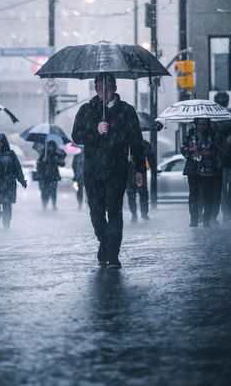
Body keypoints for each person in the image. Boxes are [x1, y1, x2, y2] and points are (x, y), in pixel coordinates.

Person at [72, 72, 144, 269]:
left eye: (108, 88)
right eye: (100, 88)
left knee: (114, 211)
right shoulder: (86, 110)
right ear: (95, 89)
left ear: (115, 88)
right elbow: (76, 136)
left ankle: (113, 255)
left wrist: (140, 169)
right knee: (96, 214)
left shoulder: (127, 111)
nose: (104, 92)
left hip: (117, 171)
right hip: (93, 172)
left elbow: (136, 142)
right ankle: (105, 243)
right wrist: (95, 131)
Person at [0, 133, 27, 228]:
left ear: (4, 143)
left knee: (7, 206)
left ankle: (6, 226)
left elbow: (17, 168)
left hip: (8, 184)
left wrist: (22, 180)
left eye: (0, 142)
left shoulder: (11, 154)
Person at [181, 118, 219, 228]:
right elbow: (183, 148)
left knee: (208, 195)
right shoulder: (190, 134)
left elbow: (216, 150)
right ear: (196, 124)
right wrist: (190, 150)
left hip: (207, 170)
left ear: (207, 125)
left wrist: (206, 152)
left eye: (204, 124)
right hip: (192, 169)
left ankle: (206, 220)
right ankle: (194, 219)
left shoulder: (211, 135)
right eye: (200, 124)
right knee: (193, 195)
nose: (202, 126)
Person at [126, 138, 154, 222]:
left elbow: (151, 157)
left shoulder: (144, 144)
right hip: (129, 173)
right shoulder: (125, 144)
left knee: (143, 194)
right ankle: (134, 214)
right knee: (131, 195)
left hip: (140, 172)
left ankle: (144, 213)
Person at [36, 140, 66, 210]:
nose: (51, 148)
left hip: (53, 177)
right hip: (45, 177)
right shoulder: (44, 155)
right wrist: (43, 162)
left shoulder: (56, 155)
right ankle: (44, 204)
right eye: (49, 146)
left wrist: (58, 160)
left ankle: (54, 205)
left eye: (52, 146)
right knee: (44, 191)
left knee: (53, 191)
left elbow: (62, 163)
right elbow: (38, 166)